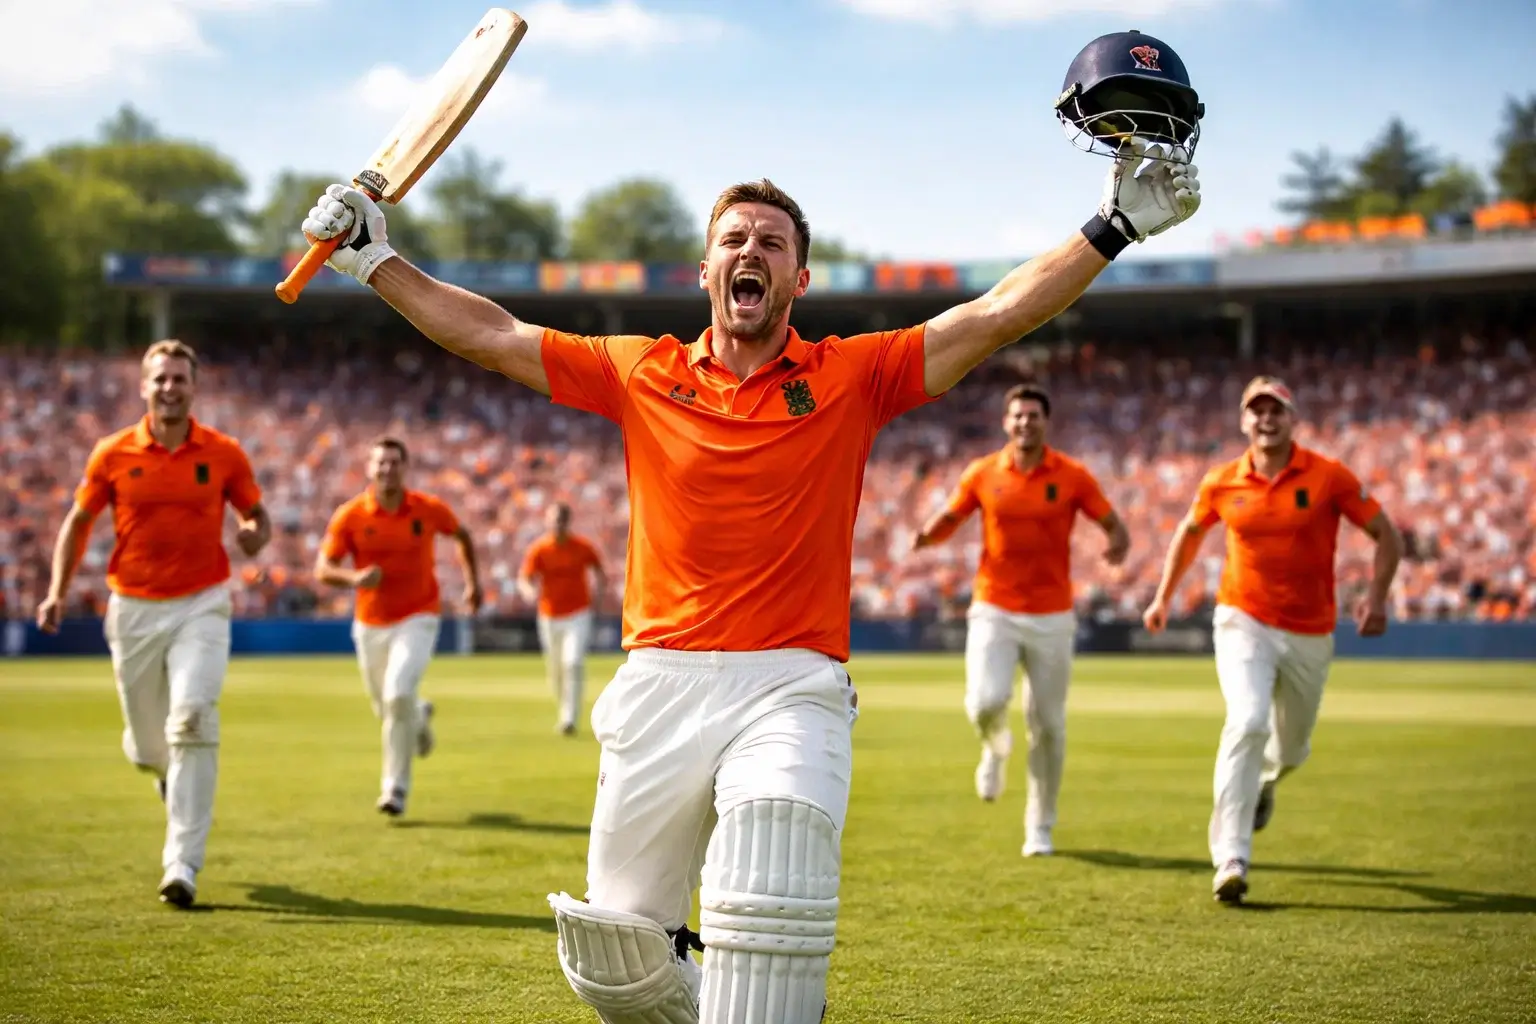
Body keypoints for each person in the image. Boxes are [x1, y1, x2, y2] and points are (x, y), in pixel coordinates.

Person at [297, 134, 1200, 1022]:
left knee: (774, 861)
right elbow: (494, 335)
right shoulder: (638, 370)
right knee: (614, 960)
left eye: (771, 243)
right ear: (704, 270)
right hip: (659, 681)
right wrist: (378, 259)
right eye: (734, 240)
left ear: (799, 280)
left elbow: (995, 314)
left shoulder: (853, 374)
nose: (750, 253)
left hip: (791, 681)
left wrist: (1112, 224)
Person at [1142, 376, 1402, 904]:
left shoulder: (1328, 476)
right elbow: (1190, 535)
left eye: (1276, 410)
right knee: (1246, 720)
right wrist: (1163, 596)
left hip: (1310, 629)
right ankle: (1231, 856)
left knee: (1292, 749)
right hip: (1243, 619)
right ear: (1243, 421)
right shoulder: (1221, 482)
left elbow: (1386, 535)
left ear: (1292, 419)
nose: (1265, 419)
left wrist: (1376, 597)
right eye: (1255, 410)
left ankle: (1265, 782)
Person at [35, 340, 272, 908]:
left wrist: (253, 536)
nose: (170, 387)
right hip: (134, 608)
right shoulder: (112, 453)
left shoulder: (224, 453)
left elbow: (256, 518)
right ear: (144, 387)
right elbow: (78, 522)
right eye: (160, 379)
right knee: (148, 748)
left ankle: (181, 864)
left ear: (194, 387)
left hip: (203, 604)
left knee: (192, 719)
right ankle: (159, 767)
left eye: (179, 379)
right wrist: (56, 592)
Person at [912, 382, 1128, 857]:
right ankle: (993, 746)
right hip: (994, 606)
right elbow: (953, 515)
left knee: (1048, 725)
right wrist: (927, 535)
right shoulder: (983, 472)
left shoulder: (1072, 475)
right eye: (1018, 416)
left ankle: (1040, 827)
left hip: (1052, 615)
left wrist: (1118, 544)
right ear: (1006, 423)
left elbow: (1111, 522)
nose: (1025, 422)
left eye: (1033, 415)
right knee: (985, 701)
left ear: (1045, 423)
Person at [315, 437, 482, 818]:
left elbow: (462, 535)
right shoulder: (351, 515)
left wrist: (473, 583)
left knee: (395, 695)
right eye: (381, 463)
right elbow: (322, 569)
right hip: (370, 623)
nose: (387, 469)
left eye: (394, 462)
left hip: (419, 616)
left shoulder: (426, 509)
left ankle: (395, 788)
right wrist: (355, 578)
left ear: (405, 468)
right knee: (387, 706)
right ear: (369, 469)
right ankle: (419, 716)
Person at [519, 502, 607, 736]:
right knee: (556, 667)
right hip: (549, 616)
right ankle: (563, 708)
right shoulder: (539, 549)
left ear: (568, 522)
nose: (557, 525)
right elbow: (525, 577)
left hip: (578, 613)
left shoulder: (582, 547)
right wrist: (528, 590)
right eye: (553, 520)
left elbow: (599, 571)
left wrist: (599, 595)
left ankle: (570, 717)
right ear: (547, 521)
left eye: (561, 520)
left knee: (573, 662)